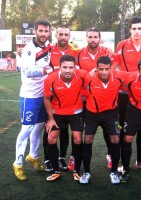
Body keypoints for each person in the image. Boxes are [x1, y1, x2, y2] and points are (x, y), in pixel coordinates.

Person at [112, 16, 141, 172]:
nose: (136, 31)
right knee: (124, 128)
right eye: (134, 28)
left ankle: (140, 161)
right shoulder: (122, 45)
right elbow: (114, 65)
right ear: (130, 29)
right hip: (124, 93)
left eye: (139, 28)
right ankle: (123, 163)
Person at [13, 19, 52, 181]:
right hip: (30, 96)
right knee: (27, 129)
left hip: (44, 96)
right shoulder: (29, 49)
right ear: (35, 31)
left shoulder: (49, 45)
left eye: (46, 31)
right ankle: (18, 163)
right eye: (40, 31)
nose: (43, 34)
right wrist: (45, 70)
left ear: (49, 32)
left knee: (38, 128)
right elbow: (28, 71)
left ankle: (33, 156)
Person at [80, 56, 128, 185]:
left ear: (111, 68)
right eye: (101, 69)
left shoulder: (118, 76)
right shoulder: (88, 76)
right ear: (96, 69)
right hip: (92, 113)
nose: (104, 72)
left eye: (107, 69)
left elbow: (135, 74)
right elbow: (74, 70)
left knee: (116, 139)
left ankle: (114, 172)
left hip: (111, 113)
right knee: (88, 139)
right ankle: (86, 172)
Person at [43, 25, 81, 173]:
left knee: (65, 128)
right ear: (56, 35)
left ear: (69, 37)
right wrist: (21, 53)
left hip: (69, 94)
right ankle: (48, 159)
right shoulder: (48, 50)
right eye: (61, 34)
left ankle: (62, 157)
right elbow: (34, 56)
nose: (63, 37)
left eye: (66, 34)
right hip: (50, 92)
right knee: (49, 129)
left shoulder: (75, 51)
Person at [44, 54, 87, 181]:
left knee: (78, 139)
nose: (68, 70)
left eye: (70, 67)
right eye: (65, 67)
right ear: (60, 67)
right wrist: (50, 119)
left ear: (75, 68)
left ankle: (76, 170)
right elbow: (46, 98)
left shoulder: (81, 75)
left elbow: (95, 76)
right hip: (57, 113)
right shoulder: (50, 79)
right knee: (51, 138)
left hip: (76, 112)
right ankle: (56, 170)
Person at [77, 27, 113, 169]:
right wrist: (88, 74)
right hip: (85, 99)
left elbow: (114, 66)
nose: (93, 40)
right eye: (90, 37)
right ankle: (75, 158)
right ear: (86, 38)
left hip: (103, 98)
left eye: (95, 37)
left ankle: (110, 155)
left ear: (100, 38)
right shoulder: (78, 53)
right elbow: (74, 70)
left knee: (107, 130)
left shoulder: (107, 52)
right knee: (82, 131)